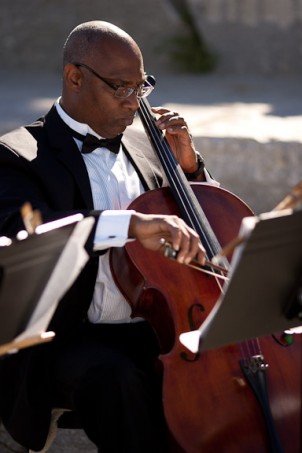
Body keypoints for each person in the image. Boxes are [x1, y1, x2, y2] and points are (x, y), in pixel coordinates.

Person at [0, 21, 217, 452]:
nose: (133, 104)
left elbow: (212, 231)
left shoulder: (148, 146)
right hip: (69, 335)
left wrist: (191, 170)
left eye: (142, 88)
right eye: (120, 88)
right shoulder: (18, 154)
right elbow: (28, 233)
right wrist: (128, 225)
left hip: (157, 326)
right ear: (74, 77)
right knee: (115, 380)